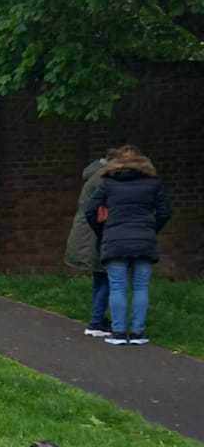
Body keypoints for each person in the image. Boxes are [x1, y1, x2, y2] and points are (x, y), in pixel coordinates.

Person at [85, 146, 172, 346]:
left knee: (117, 287)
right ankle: (137, 333)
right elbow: (165, 212)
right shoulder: (154, 184)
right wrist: (151, 229)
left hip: (114, 239)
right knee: (141, 287)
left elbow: (90, 210)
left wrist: (103, 231)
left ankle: (117, 333)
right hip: (144, 240)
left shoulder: (108, 184)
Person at [65, 152, 111, 336]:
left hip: (88, 234)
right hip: (95, 235)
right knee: (107, 276)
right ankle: (96, 322)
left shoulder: (94, 175)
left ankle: (97, 318)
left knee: (101, 277)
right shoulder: (103, 178)